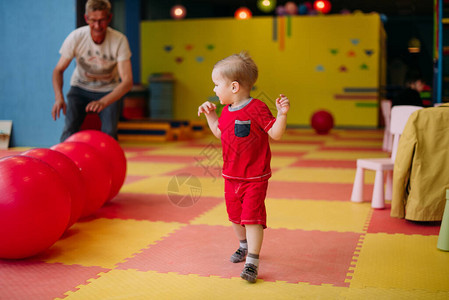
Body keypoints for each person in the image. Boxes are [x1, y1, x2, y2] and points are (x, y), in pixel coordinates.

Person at [198, 52, 290, 283]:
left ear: (235, 87)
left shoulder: (257, 108)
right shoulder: (227, 111)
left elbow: (276, 134)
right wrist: (211, 116)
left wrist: (282, 115)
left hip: (255, 178)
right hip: (231, 176)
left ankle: (253, 262)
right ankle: (243, 246)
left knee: (252, 219)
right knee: (235, 217)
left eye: (217, 84)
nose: (215, 89)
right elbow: (220, 133)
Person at [51, 0, 133, 141]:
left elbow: (127, 82)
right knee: (69, 130)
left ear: (109, 18)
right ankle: (64, 159)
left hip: (108, 91)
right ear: (86, 18)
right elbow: (58, 70)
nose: (97, 26)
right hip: (80, 88)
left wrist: (104, 102)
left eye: (102, 20)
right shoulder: (76, 37)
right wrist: (59, 97)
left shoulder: (119, 40)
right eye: (93, 20)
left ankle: (109, 161)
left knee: (109, 133)